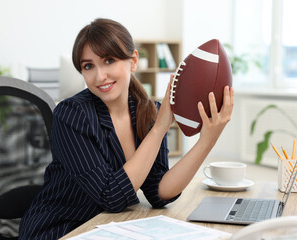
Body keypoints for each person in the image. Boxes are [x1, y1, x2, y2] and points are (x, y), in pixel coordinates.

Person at [19, 18, 234, 239]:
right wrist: (159, 129)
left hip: (105, 227)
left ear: (133, 61)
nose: (99, 76)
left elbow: (160, 193)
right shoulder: (72, 114)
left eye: (109, 60)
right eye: (88, 66)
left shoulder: (149, 112)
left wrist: (207, 141)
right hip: (60, 230)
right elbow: (111, 197)